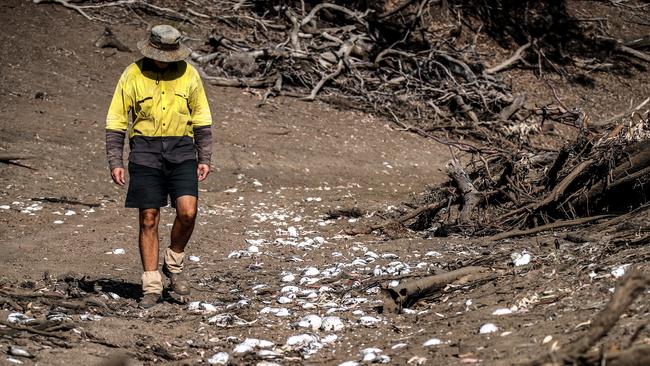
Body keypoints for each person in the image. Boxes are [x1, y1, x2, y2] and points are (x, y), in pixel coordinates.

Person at [105, 25, 213, 309]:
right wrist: (115, 160)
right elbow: (117, 119)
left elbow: (201, 116)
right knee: (149, 218)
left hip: (182, 150)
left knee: (188, 211)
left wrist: (205, 157)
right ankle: (151, 285)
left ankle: (173, 263)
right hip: (145, 152)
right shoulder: (132, 74)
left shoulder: (189, 74)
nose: (165, 60)